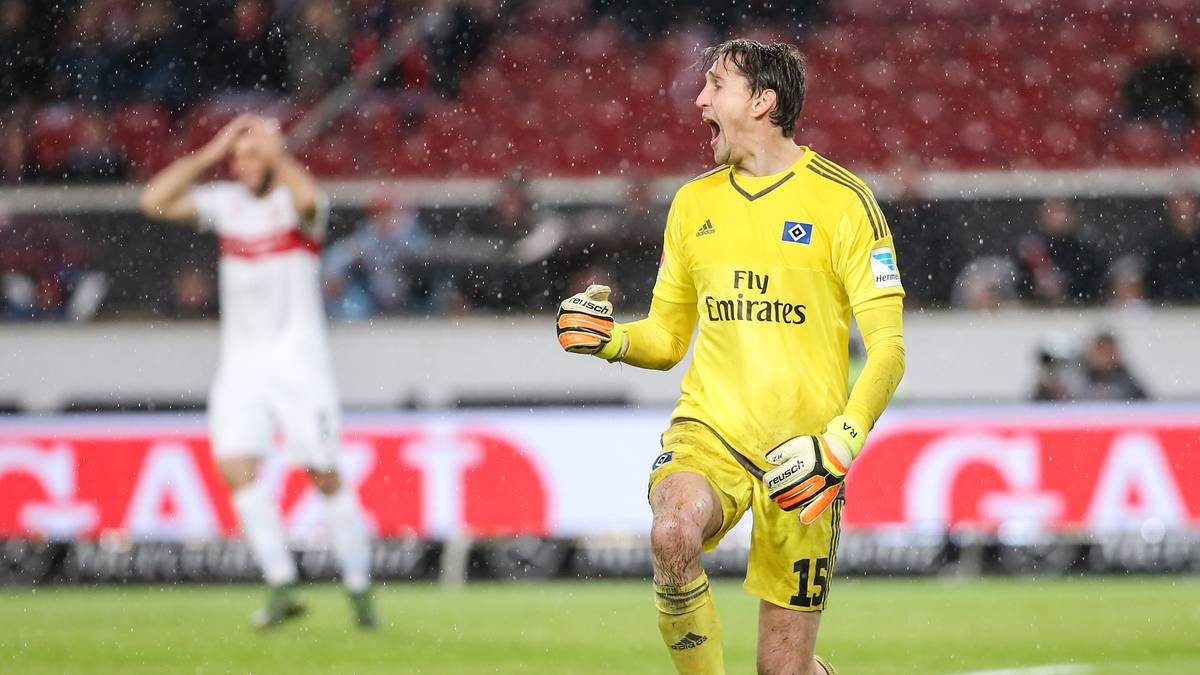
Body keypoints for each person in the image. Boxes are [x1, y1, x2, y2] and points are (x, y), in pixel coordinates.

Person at [557, 39, 905, 674]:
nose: (699, 99)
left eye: (716, 86)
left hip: (805, 457)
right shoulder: (694, 204)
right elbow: (665, 340)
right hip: (710, 433)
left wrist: (840, 446)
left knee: (782, 671)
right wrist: (609, 340)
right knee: (672, 533)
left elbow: (889, 348)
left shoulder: (845, 202)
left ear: (763, 101)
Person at [139, 114, 377, 630]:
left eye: (253, 153)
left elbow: (311, 200)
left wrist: (277, 153)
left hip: (298, 363)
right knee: (235, 469)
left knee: (323, 473)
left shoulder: (295, 203)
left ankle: (359, 591)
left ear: (273, 154)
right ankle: (282, 584)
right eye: (239, 155)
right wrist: (210, 153)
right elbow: (153, 201)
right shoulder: (227, 205)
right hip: (242, 364)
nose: (244, 163)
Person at [1013, 199, 1105, 305]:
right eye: (1053, 212)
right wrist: (1036, 289)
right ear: (1042, 216)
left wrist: (1066, 287)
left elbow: (1095, 286)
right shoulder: (1031, 247)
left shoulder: (1086, 249)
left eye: (1063, 212)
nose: (1058, 218)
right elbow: (1018, 285)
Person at [1145, 192, 1200, 303]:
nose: (1183, 213)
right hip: (1169, 312)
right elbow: (1152, 283)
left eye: (1187, 207)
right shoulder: (1160, 248)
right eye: (1178, 209)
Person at [1078, 331, 1149, 401]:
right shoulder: (1079, 378)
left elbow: (1143, 404)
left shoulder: (1127, 382)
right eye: (1101, 351)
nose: (1105, 356)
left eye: (1108, 351)